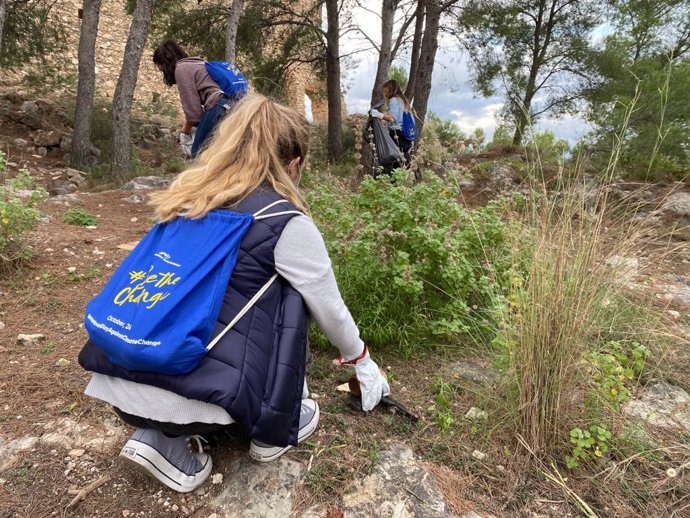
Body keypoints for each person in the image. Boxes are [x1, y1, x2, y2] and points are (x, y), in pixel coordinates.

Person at [78, 94, 390, 493]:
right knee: (294, 293)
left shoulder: (184, 200)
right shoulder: (282, 219)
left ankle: (161, 436)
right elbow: (329, 307)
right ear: (293, 164)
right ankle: (273, 426)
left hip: (117, 374)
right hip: (197, 396)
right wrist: (361, 358)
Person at [153, 40, 235, 158]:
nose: (163, 74)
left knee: (199, 152)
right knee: (220, 153)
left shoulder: (181, 69)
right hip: (234, 106)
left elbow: (193, 112)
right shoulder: (199, 63)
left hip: (218, 106)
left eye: (162, 70)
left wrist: (185, 131)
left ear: (165, 64)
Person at [370, 79, 413, 164]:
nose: (385, 94)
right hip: (406, 135)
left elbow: (392, 118)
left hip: (397, 134)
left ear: (391, 90)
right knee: (403, 162)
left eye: (386, 91)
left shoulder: (394, 100)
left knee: (394, 162)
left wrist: (379, 115)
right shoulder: (402, 100)